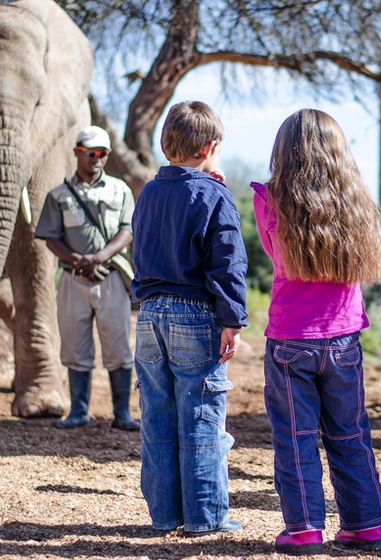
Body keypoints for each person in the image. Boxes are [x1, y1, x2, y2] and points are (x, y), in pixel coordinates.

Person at [251, 109, 381, 555]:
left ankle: (306, 529)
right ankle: (366, 527)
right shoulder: (357, 201)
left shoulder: (267, 199)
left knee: (296, 438)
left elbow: (275, 255)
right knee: (350, 435)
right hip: (344, 337)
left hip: (291, 337)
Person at [131, 101, 247, 534]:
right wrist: (231, 319)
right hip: (194, 313)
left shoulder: (148, 193)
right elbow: (228, 262)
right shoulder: (215, 195)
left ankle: (165, 515)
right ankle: (205, 516)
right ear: (210, 147)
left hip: (149, 314)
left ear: (166, 144)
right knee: (201, 416)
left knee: (157, 416)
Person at [34, 125, 139, 431]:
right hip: (73, 279)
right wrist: (75, 260)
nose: (95, 158)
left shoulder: (120, 190)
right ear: (77, 153)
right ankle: (78, 411)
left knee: (118, 345)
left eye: (101, 153)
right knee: (75, 346)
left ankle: (122, 414)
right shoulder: (59, 195)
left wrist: (99, 257)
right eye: (88, 153)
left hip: (110, 279)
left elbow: (127, 230)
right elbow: (50, 236)